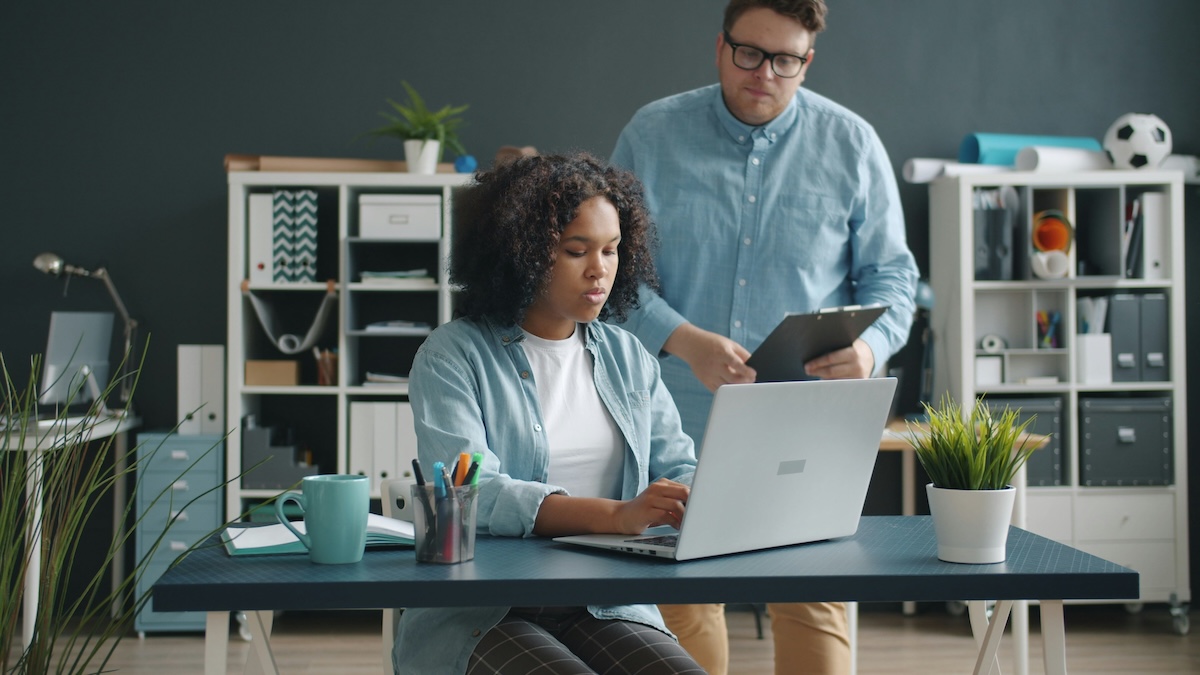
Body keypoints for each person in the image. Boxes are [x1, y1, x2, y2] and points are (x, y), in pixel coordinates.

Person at [610, 1, 920, 673]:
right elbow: (612, 274)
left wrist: (870, 348)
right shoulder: (651, 134)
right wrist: (686, 340)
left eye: (786, 60)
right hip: (672, 417)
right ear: (721, 47)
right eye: (750, 53)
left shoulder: (853, 143)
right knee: (682, 604)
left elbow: (894, 276)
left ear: (806, 61)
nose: (765, 74)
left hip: (804, 421)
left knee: (812, 598)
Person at [392, 152, 706, 675]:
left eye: (611, 250)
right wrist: (617, 516)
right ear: (523, 254)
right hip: (486, 611)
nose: (599, 269)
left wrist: (703, 495)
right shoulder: (453, 354)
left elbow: (675, 466)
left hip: (604, 603)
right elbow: (477, 494)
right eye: (576, 250)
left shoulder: (628, 356)